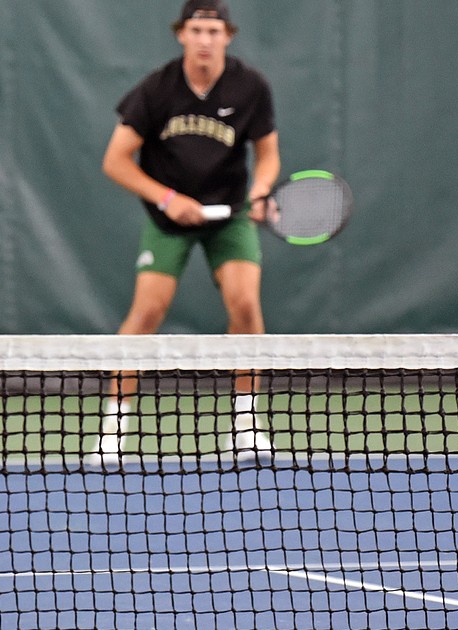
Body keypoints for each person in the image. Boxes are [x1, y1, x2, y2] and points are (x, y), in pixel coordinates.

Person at [91, 0, 280, 465]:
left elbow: (269, 154)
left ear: (227, 36)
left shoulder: (250, 86)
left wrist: (260, 190)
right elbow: (115, 161)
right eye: (196, 30)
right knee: (148, 312)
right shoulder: (157, 90)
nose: (204, 39)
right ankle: (113, 428)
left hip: (230, 214)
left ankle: (247, 424)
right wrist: (169, 200)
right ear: (181, 34)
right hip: (167, 219)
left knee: (246, 305)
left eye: (213, 31)